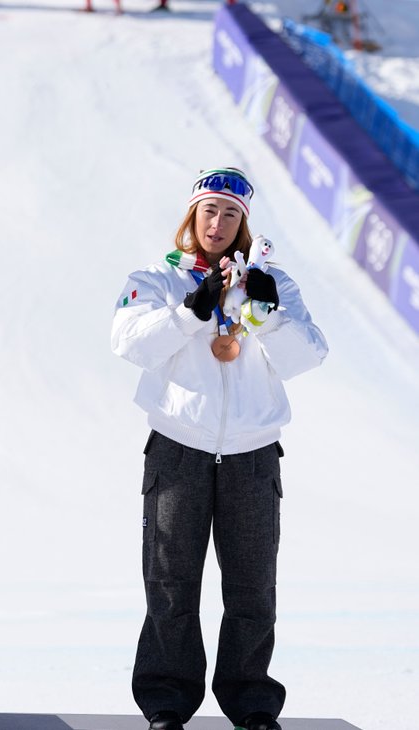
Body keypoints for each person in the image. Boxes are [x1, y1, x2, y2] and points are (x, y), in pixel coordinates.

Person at [111, 168, 328, 730]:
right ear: (191, 216)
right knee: (169, 580)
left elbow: (308, 357)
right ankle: (165, 700)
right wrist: (190, 310)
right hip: (179, 449)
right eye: (209, 211)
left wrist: (269, 313)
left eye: (231, 214)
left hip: (253, 455)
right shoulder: (158, 278)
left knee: (253, 584)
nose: (218, 223)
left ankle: (252, 701)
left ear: (244, 225)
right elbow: (129, 343)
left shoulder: (271, 282)